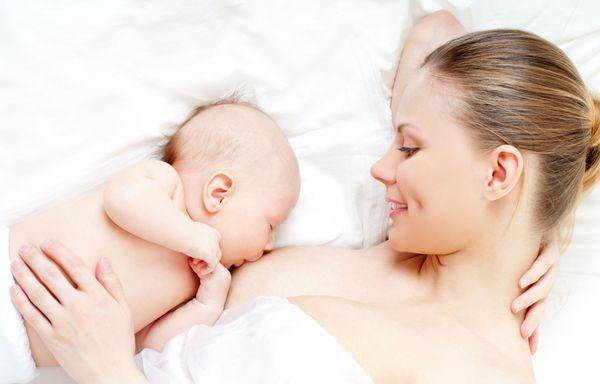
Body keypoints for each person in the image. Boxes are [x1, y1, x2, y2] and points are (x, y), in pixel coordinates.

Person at [12, 10, 599, 383]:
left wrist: (107, 370)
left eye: (410, 149)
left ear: (498, 174)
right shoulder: (395, 262)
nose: (379, 168)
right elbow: (436, 29)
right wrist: (532, 222)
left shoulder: (483, 372)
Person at [1, 101, 300, 383]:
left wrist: (206, 304)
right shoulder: (167, 188)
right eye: (270, 225)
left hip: (17, 360)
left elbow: (146, 345)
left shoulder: (193, 284)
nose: (270, 245)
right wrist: (191, 237)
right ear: (219, 193)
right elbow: (121, 198)